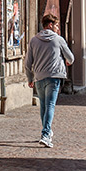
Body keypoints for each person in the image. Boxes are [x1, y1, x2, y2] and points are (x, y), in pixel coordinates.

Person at [25, 13, 74, 148]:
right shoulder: (58, 40)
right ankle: (46, 134)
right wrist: (68, 62)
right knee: (50, 105)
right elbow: (70, 57)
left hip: (39, 77)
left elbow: (28, 63)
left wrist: (30, 78)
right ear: (50, 25)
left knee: (44, 105)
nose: (58, 28)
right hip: (54, 77)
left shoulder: (34, 40)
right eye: (57, 25)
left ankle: (46, 131)